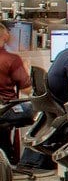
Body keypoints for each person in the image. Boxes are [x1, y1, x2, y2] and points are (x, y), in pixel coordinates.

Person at [0, 20, 34, 163]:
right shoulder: (12, 59)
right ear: (5, 36)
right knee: (44, 109)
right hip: (6, 107)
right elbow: (27, 90)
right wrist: (26, 71)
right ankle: (32, 159)